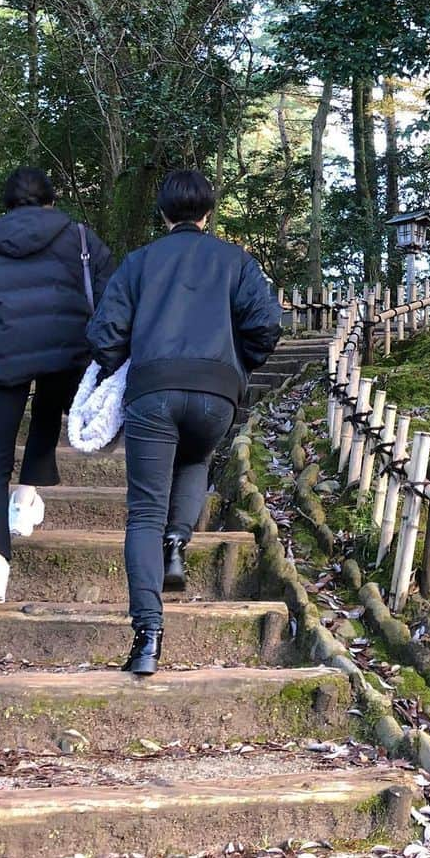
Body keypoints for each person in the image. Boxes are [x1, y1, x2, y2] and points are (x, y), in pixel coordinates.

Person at [87, 169, 283, 677]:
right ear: (207, 214)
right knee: (196, 457)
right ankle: (177, 542)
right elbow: (266, 325)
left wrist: (124, 362)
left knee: (142, 514)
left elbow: (105, 334)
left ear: (164, 215)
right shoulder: (237, 261)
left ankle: (148, 638)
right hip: (217, 393)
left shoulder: (139, 263)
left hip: (153, 390)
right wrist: (237, 365)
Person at [0, 168, 114, 603]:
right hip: (65, 346)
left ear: (8, 204)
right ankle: (25, 497)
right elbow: (110, 291)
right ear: (50, 200)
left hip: (4, 351)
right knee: (48, 407)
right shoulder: (78, 237)